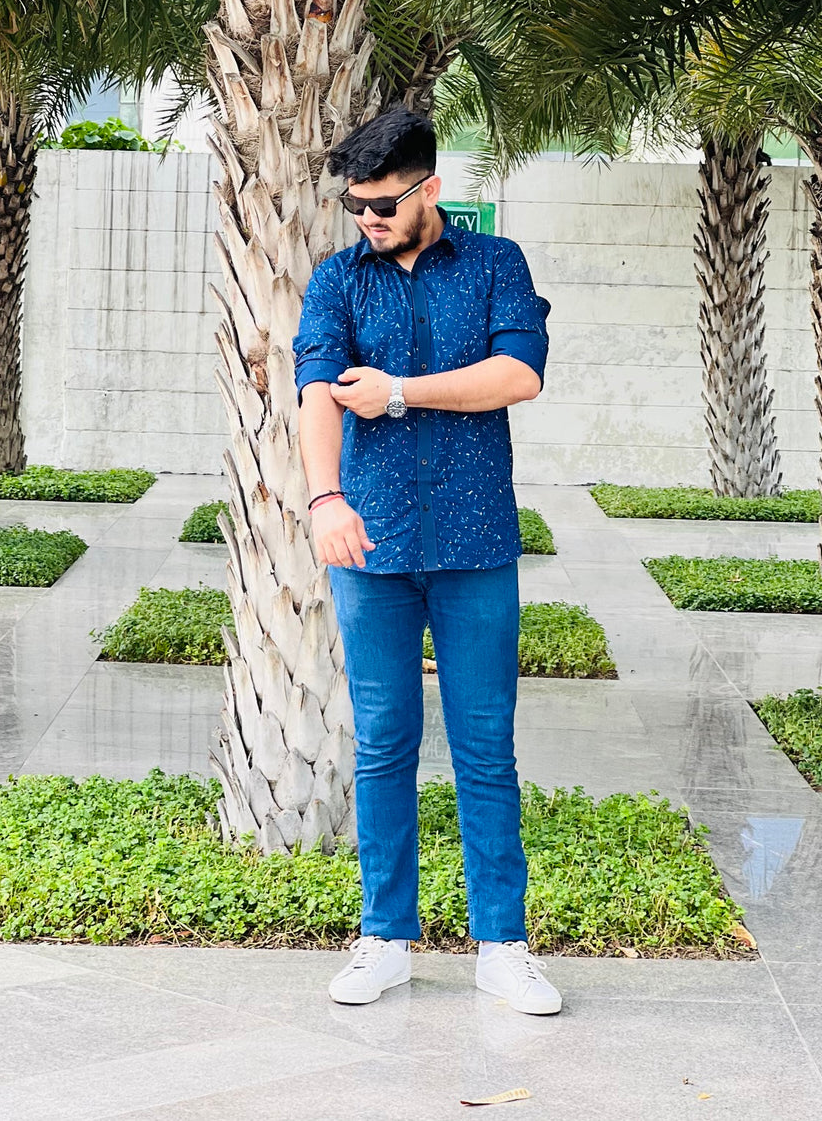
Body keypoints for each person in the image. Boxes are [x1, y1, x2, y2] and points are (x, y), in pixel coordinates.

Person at [292, 107, 561, 1015]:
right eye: (355, 204)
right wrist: (325, 498)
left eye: (383, 203)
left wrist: (400, 392)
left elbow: (518, 374)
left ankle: (503, 945)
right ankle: (384, 938)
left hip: (475, 543)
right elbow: (316, 391)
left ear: (430, 189)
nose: (367, 218)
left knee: (485, 746)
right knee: (383, 742)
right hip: (369, 546)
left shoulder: (496, 265)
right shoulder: (337, 280)